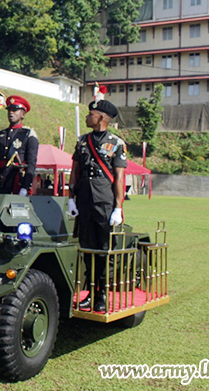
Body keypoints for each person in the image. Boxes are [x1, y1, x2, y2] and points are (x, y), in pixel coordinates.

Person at [68, 99, 126, 313]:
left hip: (104, 201)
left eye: (90, 113)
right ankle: (91, 292)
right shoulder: (82, 141)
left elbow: (119, 177)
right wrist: (71, 197)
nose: (87, 117)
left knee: (104, 250)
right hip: (83, 199)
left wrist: (118, 207)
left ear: (101, 117)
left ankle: (102, 294)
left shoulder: (116, 143)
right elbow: (75, 170)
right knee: (87, 247)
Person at [0, 95, 38, 195]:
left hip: (17, 182)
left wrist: (25, 186)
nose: (11, 113)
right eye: (9, 110)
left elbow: (31, 163)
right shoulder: (0, 135)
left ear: (23, 114)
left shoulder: (28, 134)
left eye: (14, 110)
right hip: (1, 182)